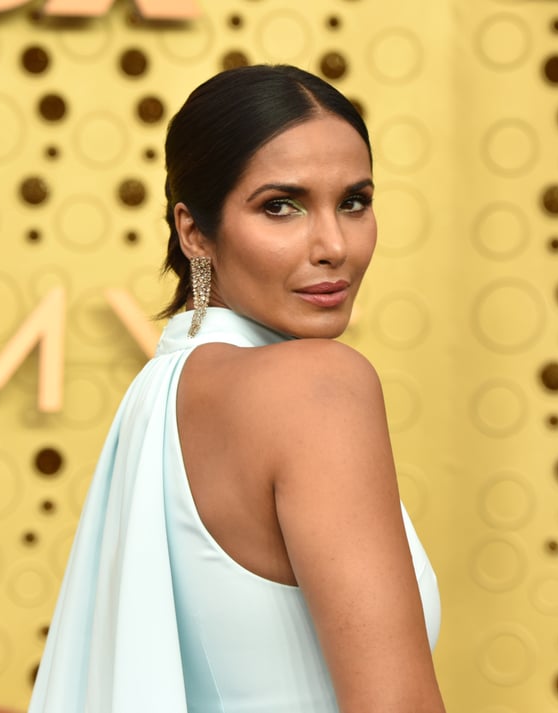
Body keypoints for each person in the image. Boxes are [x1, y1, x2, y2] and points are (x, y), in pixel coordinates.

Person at [29, 64, 444, 713]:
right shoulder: (319, 385)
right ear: (194, 230)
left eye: (355, 201)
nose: (334, 244)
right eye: (281, 205)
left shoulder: (162, 391)